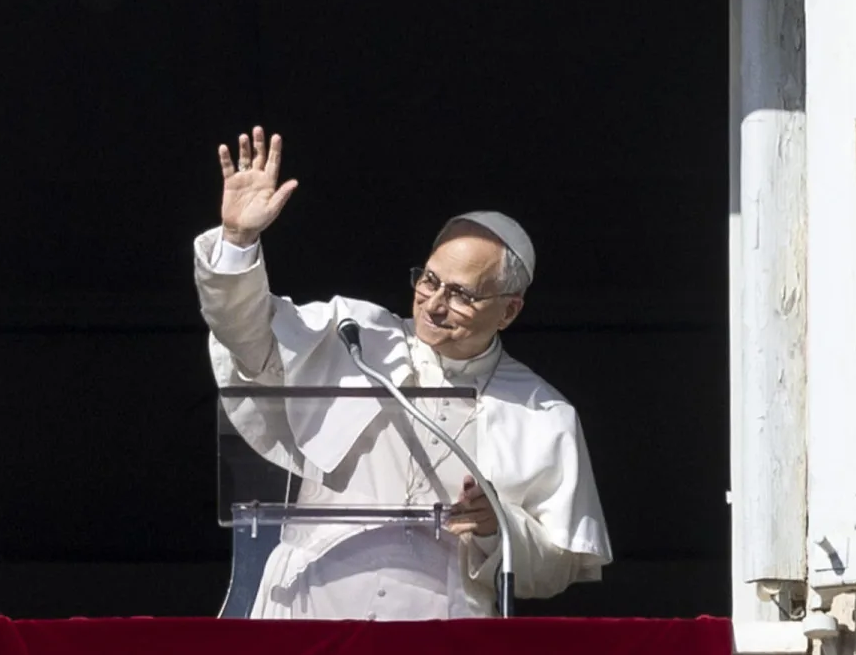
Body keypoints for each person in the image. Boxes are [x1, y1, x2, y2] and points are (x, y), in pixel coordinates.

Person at [195, 125, 611, 619]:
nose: (434, 304)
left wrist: (498, 527)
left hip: (440, 638)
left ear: (509, 310)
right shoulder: (353, 335)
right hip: (309, 611)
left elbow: (560, 563)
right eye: (429, 280)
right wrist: (239, 240)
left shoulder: (542, 411)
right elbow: (246, 336)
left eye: (462, 294)